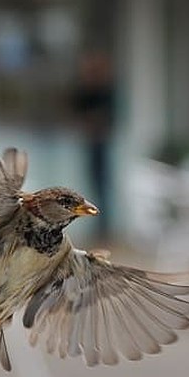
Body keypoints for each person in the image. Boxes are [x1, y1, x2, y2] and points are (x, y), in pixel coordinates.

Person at [69, 50, 117, 239]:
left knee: (102, 184)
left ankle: (103, 226)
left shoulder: (104, 91)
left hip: (100, 143)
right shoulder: (87, 91)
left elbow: (107, 118)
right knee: (95, 182)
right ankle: (99, 225)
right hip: (92, 142)